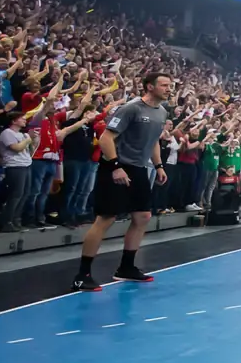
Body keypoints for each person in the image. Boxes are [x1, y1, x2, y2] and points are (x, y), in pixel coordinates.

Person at [72, 72, 171, 292]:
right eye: (164, 85)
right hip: (115, 166)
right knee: (106, 218)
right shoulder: (131, 108)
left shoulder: (162, 112)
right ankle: (82, 275)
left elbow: (153, 140)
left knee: (143, 216)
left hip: (138, 168)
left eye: (169, 85)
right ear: (149, 87)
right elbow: (107, 138)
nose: (168, 88)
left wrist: (158, 165)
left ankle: (126, 268)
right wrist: (116, 166)